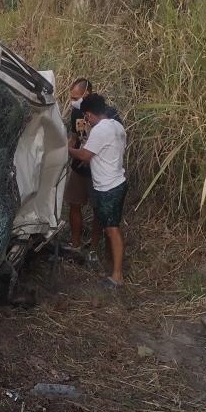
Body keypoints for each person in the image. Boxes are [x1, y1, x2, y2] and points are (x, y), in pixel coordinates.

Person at [67, 93, 127, 288]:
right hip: (115, 182)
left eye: (86, 116)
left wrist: (69, 150)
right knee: (110, 227)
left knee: (112, 229)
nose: (86, 120)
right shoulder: (116, 126)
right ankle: (113, 268)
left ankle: (117, 276)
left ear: (90, 115)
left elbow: (84, 155)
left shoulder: (100, 130)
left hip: (108, 186)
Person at [61, 78, 101, 256]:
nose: (73, 101)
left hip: (97, 170)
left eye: (76, 97)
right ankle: (75, 244)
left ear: (88, 94)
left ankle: (93, 248)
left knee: (97, 209)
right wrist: (67, 155)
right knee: (74, 203)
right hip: (79, 166)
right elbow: (75, 136)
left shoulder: (101, 114)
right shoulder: (76, 113)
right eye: (71, 97)